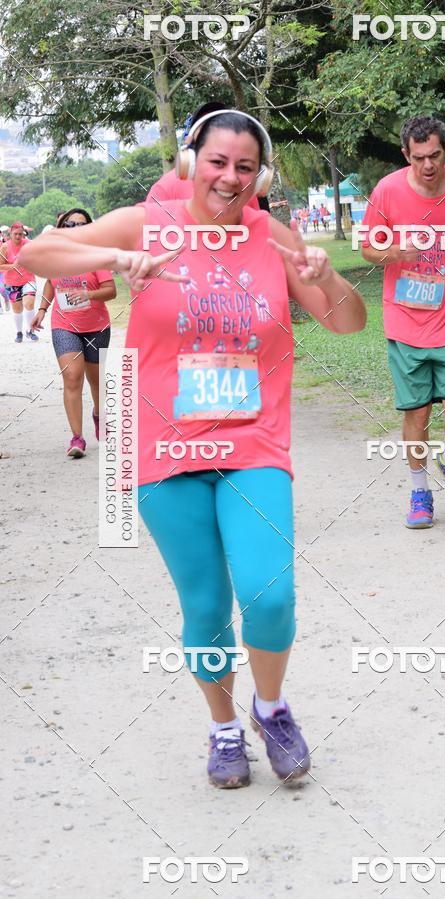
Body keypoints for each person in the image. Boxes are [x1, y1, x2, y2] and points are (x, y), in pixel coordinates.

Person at [22, 109, 366, 789]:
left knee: (270, 594)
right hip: (165, 451)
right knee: (205, 607)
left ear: (259, 177)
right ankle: (223, 725)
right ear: (190, 163)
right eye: (217, 162)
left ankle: (271, 708)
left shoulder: (272, 237)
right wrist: (116, 259)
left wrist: (327, 277)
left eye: (245, 167)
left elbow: (349, 322)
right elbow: (35, 254)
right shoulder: (145, 224)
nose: (230, 178)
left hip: (253, 444)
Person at [361, 115, 445, 528]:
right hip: (405, 323)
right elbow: (367, 247)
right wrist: (395, 253)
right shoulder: (387, 191)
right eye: (419, 158)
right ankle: (420, 492)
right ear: (406, 155)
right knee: (417, 415)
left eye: (435, 155)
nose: (428, 165)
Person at [30, 209, 116, 458]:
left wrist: (88, 294)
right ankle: (77, 438)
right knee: (72, 377)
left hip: (96, 327)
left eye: (80, 225)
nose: (74, 229)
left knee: (96, 381)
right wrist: (42, 309)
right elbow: (50, 283)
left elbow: (111, 291)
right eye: (69, 224)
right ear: (62, 227)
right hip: (64, 325)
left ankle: (99, 414)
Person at [147, 101, 263, 213]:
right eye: (205, 128)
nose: (214, 134)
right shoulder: (165, 188)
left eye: (222, 127)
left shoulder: (244, 186)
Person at [0, 222, 38, 342]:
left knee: (29, 303)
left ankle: (30, 330)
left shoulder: (29, 245)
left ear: (23, 234)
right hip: (11, 282)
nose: (18, 236)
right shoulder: (5, 247)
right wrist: (13, 266)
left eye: (20, 234)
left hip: (28, 280)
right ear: (10, 234)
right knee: (17, 309)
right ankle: (19, 332)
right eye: (15, 234)